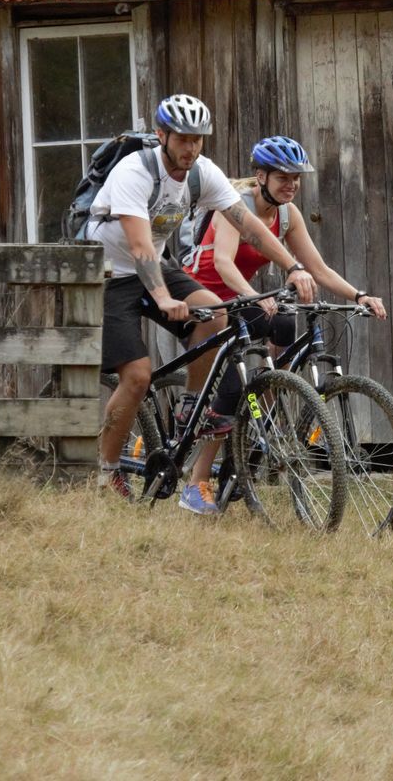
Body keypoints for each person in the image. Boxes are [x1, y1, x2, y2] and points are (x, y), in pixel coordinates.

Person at [90, 94, 315, 513]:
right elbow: (138, 245)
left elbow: (248, 227)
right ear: (162, 136)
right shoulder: (134, 172)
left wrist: (293, 266)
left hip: (155, 265)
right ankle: (106, 472)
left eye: (198, 140)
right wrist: (161, 297)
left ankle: (192, 404)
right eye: (182, 139)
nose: (190, 148)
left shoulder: (203, 174)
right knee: (137, 376)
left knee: (215, 310)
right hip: (109, 275)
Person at [179, 135, 387, 491]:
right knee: (230, 386)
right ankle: (197, 483)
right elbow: (223, 263)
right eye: (282, 178)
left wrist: (359, 295)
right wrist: (254, 295)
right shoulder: (233, 206)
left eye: (296, 178)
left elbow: (316, 268)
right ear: (261, 177)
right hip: (205, 298)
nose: (291, 185)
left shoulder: (287, 215)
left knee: (286, 325)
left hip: (242, 300)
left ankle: (265, 401)